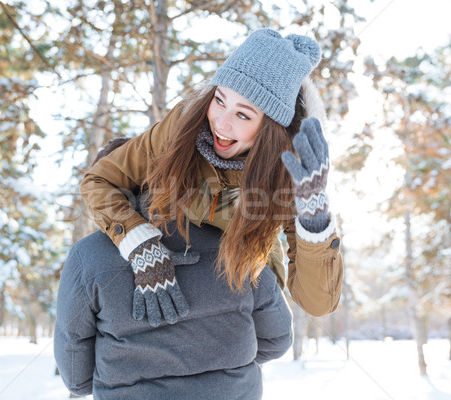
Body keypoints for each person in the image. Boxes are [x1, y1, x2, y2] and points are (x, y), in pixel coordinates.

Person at [80, 28, 344, 327]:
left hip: (238, 292)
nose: (220, 122)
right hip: (168, 275)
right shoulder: (182, 126)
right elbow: (98, 181)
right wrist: (138, 241)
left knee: (275, 331)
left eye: (243, 115)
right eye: (219, 100)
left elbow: (317, 303)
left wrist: (315, 220)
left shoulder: (290, 172)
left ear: (270, 130)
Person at [54, 214, 293, 399]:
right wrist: (224, 366)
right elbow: (278, 338)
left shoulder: (87, 255)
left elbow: (76, 377)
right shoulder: (235, 241)